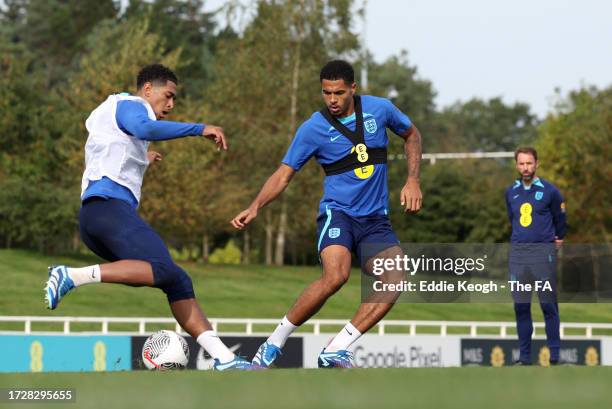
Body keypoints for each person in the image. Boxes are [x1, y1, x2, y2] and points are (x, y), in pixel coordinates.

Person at [44, 64, 256, 371]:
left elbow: (113, 148)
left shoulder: (116, 115)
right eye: (167, 96)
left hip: (99, 218)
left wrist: (141, 159)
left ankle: (224, 359)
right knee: (162, 268)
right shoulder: (132, 105)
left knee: (177, 279)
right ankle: (71, 276)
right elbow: (144, 128)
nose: (170, 105)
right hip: (107, 210)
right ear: (147, 90)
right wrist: (200, 128)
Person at [231, 60, 422, 368]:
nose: (332, 99)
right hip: (338, 214)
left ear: (353, 89)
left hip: (375, 220)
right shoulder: (313, 128)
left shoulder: (380, 109)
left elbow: (412, 134)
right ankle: (273, 343)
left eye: (339, 92)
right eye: (326, 93)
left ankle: (337, 348)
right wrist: (255, 206)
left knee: (394, 277)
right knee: (337, 275)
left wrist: (413, 179)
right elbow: (283, 174)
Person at [505, 147, 567, 365]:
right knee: (521, 306)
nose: (525, 168)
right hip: (518, 257)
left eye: (529, 163)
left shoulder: (551, 191)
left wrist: (557, 240)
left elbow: (561, 221)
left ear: (537, 164)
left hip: (542, 256)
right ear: (516, 165)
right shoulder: (510, 192)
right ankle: (524, 357)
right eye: (521, 163)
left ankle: (555, 356)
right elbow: (511, 218)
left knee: (548, 305)